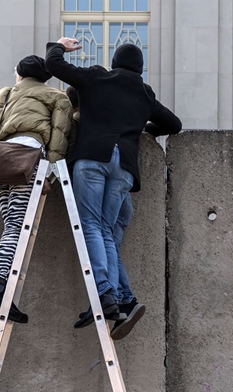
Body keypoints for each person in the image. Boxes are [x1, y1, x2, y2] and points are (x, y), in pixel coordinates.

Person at [45, 38, 182, 334]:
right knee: (105, 230)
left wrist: (58, 46)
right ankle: (121, 298)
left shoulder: (97, 77)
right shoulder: (144, 93)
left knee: (91, 226)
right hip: (125, 167)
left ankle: (105, 291)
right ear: (140, 69)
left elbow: (52, 65)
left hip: (93, 158)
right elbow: (174, 124)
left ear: (114, 63)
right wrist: (141, 127)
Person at [0, 55, 72, 323]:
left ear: (19, 72)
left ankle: (2, 301)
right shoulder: (57, 96)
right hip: (28, 157)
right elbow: (58, 139)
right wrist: (49, 176)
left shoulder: (6, 93)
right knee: (17, 228)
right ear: (46, 77)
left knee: (11, 224)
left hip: (1, 160)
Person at [66, 85, 143, 340]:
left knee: (95, 230)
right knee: (109, 240)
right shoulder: (117, 116)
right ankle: (125, 301)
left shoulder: (83, 120)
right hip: (124, 193)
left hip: (100, 176)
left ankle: (105, 293)